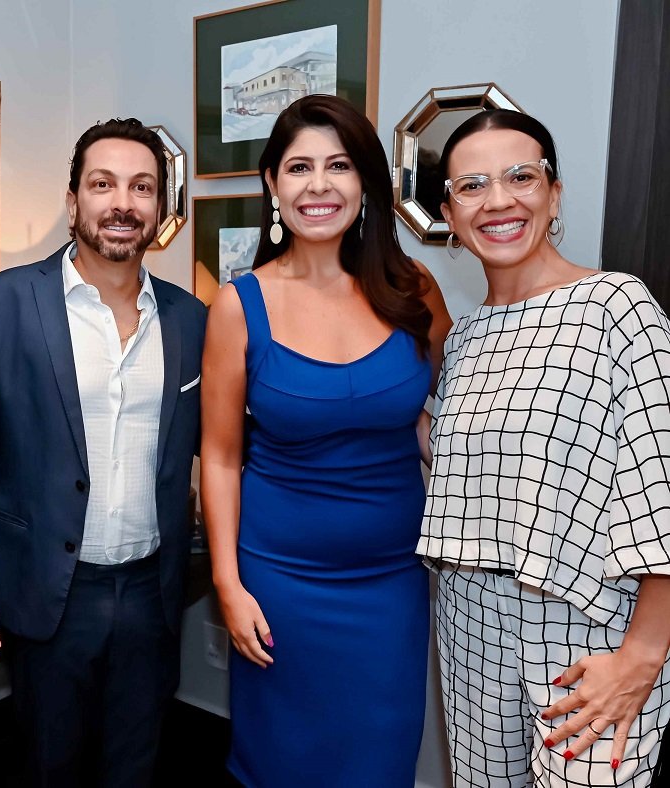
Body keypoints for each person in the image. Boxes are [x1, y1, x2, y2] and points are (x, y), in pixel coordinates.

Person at [0, 118, 206, 787]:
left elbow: (222, 448)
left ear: (160, 207)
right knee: (49, 766)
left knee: (136, 766)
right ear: (73, 199)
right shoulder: (3, 304)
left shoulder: (191, 318)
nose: (123, 203)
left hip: (152, 590)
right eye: (103, 184)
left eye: (142, 187)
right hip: (49, 590)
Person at [199, 94, 452, 788]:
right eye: (299, 167)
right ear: (272, 184)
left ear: (365, 182)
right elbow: (219, 456)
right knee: (282, 763)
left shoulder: (414, 290)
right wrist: (227, 583)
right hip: (278, 581)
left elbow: (438, 406)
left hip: (390, 583)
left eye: (339, 166)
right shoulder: (239, 305)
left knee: (378, 761)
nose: (319, 185)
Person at [421, 109, 670, 788]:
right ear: (449, 212)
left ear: (553, 195)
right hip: (469, 618)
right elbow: (459, 463)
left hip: (591, 629)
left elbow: (663, 488)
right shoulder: (466, 337)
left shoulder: (616, 306)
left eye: (520, 177)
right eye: (471, 186)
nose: (497, 200)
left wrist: (642, 657)